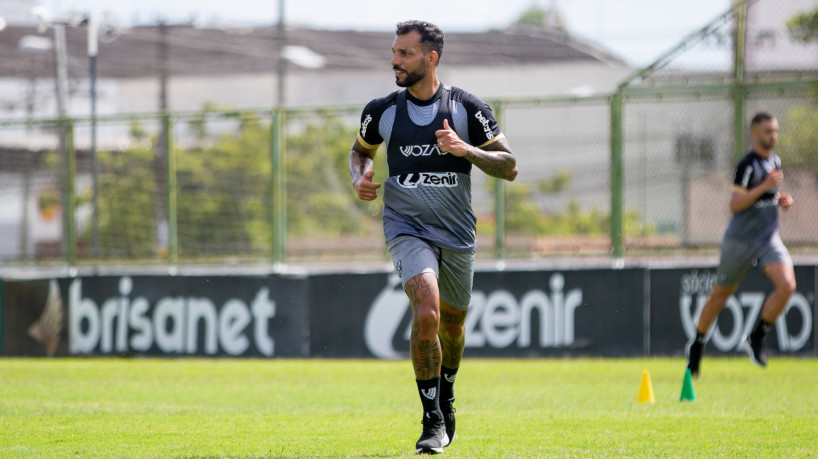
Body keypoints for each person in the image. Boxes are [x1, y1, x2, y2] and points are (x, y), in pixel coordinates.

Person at [349, 20, 517, 454]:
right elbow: (360, 150)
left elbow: (509, 166)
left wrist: (466, 150)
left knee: (453, 326)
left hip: (457, 232)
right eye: (394, 52)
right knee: (427, 312)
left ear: (431, 57)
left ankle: (447, 393)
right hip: (406, 227)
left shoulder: (467, 108)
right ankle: (431, 420)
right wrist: (359, 176)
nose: (394, 61)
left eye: (404, 53)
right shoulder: (382, 110)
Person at [686, 112, 796, 379]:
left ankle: (757, 336)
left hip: (768, 238)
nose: (773, 136)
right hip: (740, 242)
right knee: (720, 297)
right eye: (768, 131)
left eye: (776, 130)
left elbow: (767, 195)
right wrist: (766, 186)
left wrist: (781, 198)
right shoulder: (747, 165)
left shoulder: (775, 160)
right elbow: (735, 204)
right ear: (755, 132)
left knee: (787, 286)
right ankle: (698, 346)